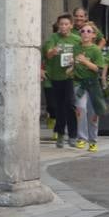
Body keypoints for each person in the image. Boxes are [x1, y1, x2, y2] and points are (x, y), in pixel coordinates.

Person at [42, 14, 79, 149]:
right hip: (55, 77)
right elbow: (47, 55)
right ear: (58, 25)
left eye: (66, 24)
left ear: (71, 25)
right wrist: (53, 51)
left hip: (70, 77)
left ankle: (73, 135)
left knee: (70, 105)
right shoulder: (53, 38)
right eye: (61, 24)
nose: (63, 26)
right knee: (59, 108)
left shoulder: (76, 39)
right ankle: (60, 134)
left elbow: (81, 56)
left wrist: (74, 62)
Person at [72, 22, 106, 152]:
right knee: (80, 108)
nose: (85, 33)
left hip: (93, 84)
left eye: (88, 31)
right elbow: (71, 64)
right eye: (83, 31)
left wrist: (85, 62)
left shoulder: (96, 50)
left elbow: (98, 69)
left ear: (93, 35)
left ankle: (93, 141)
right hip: (79, 83)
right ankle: (81, 138)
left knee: (93, 113)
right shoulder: (76, 48)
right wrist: (70, 66)